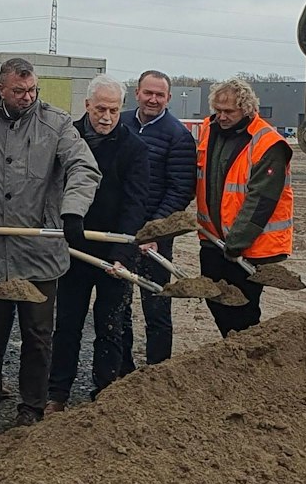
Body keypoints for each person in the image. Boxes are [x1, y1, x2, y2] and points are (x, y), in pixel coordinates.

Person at [0, 57, 99, 433]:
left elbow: (84, 166)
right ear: (1, 89)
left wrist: (73, 212)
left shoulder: (56, 123)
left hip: (40, 253)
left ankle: (31, 408)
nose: (27, 97)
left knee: (37, 336)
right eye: (19, 91)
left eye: (32, 90)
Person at [47, 76, 152, 410]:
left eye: (114, 110)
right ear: (87, 105)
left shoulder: (134, 148)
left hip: (114, 251)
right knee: (67, 323)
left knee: (110, 325)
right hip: (74, 247)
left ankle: (104, 392)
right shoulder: (68, 139)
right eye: (101, 109)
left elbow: (136, 204)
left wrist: (123, 253)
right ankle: (57, 392)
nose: (106, 117)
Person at [194, 77, 295, 336]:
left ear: (247, 109)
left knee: (243, 309)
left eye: (229, 111)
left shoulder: (267, 143)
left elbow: (261, 199)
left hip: (249, 246)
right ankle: (233, 350)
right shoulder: (209, 129)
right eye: (217, 110)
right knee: (216, 300)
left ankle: (248, 357)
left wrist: (237, 241)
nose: (222, 117)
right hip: (212, 239)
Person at [123, 69, 195, 366]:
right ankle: (120, 370)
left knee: (156, 305)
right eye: (148, 93)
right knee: (117, 306)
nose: (153, 99)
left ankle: (157, 371)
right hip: (120, 233)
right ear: (137, 92)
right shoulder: (120, 123)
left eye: (159, 95)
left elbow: (181, 190)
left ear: (168, 98)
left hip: (154, 238)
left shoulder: (177, 136)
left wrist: (154, 232)